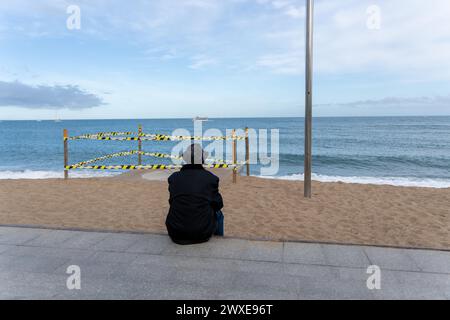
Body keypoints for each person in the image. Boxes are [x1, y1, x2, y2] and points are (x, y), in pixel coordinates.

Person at [165, 143, 224, 245]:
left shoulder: (174, 178)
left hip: (176, 233)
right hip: (202, 234)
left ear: (186, 159)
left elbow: (172, 201)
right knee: (219, 214)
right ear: (202, 160)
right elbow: (219, 204)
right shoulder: (211, 178)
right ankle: (219, 239)